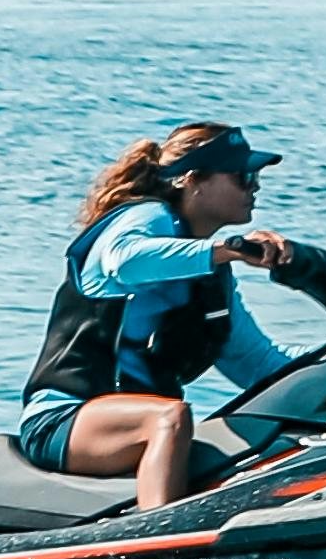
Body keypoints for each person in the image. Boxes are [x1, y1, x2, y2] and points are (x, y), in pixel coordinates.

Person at [15, 121, 310, 509]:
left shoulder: (211, 277)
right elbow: (124, 261)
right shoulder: (149, 218)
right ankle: (157, 553)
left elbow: (258, 364)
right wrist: (226, 250)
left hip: (136, 423)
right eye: (242, 175)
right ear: (192, 180)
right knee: (169, 418)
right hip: (66, 420)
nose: (254, 186)